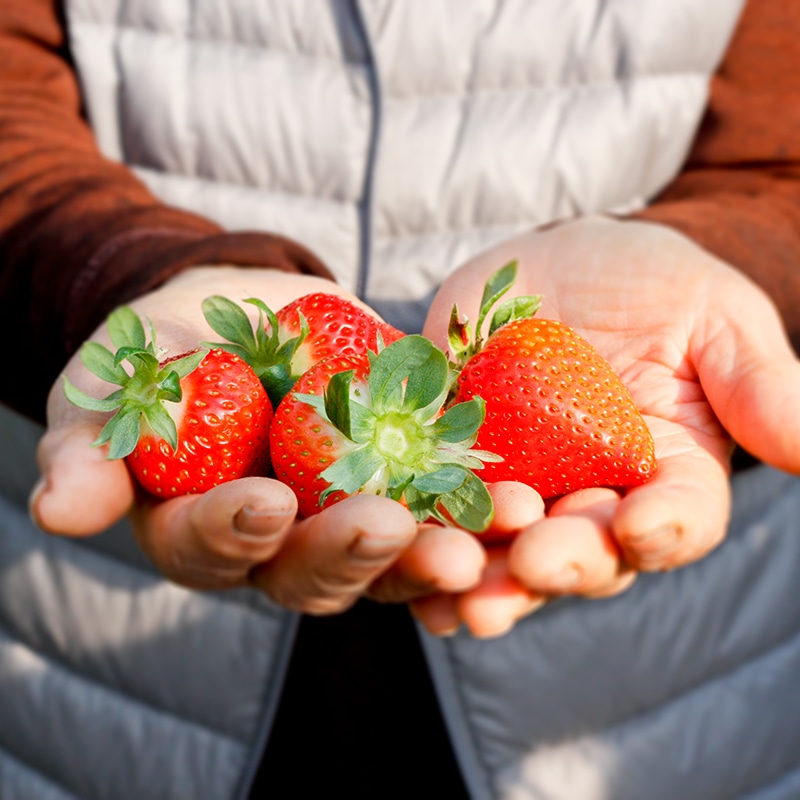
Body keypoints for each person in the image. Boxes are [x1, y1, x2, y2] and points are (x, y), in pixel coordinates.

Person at [2, 1, 800, 798]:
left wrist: (721, 256)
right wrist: (118, 271)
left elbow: (781, 155)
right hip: (113, 668)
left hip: (664, 676)